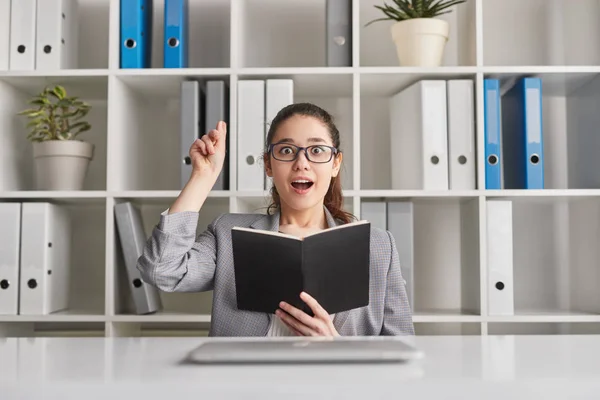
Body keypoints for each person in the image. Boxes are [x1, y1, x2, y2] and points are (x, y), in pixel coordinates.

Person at [136, 102, 415, 337]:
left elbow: (402, 349)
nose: (301, 163)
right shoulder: (228, 233)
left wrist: (337, 347)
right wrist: (203, 177)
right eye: (286, 151)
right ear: (269, 165)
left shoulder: (378, 246)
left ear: (335, 163)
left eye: (317, 150)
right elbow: (162, 270)